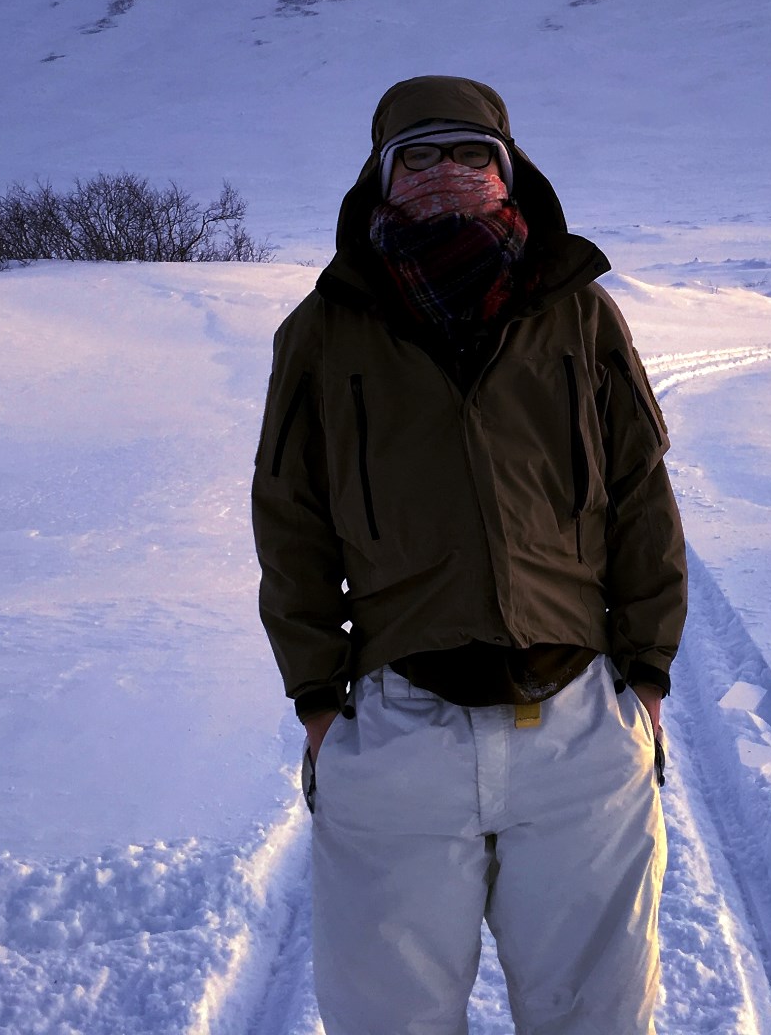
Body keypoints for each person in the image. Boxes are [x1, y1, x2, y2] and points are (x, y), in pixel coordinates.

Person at [251, 74, 688, 1035]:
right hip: (401, 731)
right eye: (419, 155)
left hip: (576, 723)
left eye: (467, 153)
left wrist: (645, 673)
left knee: (601, 1020)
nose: (445, 173)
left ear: (507, 167)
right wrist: (322, 702)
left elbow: (640, 491)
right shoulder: (324, 333)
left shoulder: (579, 314)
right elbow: (291, 520)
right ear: (381, 176)